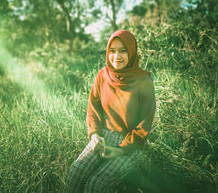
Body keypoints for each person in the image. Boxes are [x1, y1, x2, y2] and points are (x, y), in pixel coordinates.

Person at [63, 30, 156, 193]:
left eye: (123, 50)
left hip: (132, 145)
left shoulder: (144, 82)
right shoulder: (103, 76)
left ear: (132, 51)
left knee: (95, 185)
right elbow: (93, 107)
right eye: (112, 51)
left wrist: (121, 149)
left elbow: (144, 124)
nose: (116, 56)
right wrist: (95, 135)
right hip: (104, 137)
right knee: (76, 172)